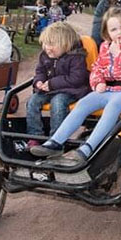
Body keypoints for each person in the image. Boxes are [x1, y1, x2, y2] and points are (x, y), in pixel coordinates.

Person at [32, 7, 121, 166]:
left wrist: (118, 54)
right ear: (107, 33)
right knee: (84, 103)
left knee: (114, 105)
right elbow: (97, 68)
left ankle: (88, 148)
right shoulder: (105, 46)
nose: (120, 32)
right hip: (110, 90)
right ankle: (55, 143)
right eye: (114, 29)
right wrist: (98, 82)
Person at [25, 22, 91, 151]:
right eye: (45, 44)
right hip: (49, 89)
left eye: (52, 45)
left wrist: (52, 83)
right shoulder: (45, 55)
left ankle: (56, 139)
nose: (47, 48)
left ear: (66, 45)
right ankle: (35, 136)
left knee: (58, 102)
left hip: (71, 90)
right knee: (32, 101)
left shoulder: (76, 57)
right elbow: (40, 72)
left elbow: (77, 79)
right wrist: (39, 82)